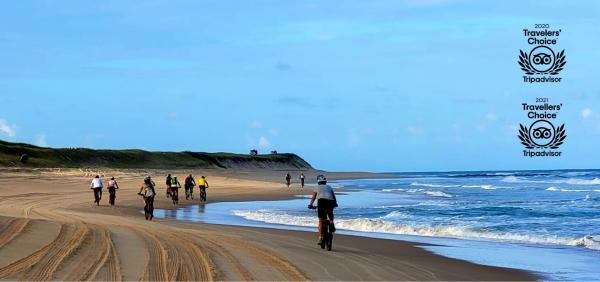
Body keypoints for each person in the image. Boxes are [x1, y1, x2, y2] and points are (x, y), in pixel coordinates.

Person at [308, 175, 338, 245]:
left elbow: (313, 197)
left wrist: (310, 205)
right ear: (325, 181)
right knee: (330, 213)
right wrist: (335, 203)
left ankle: (321, 237)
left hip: (321, 202)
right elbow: (333, 196)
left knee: (321, 219)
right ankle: (331, 222)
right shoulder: (329, 187)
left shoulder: (316, 187)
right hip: (331, 201)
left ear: (318, 182)